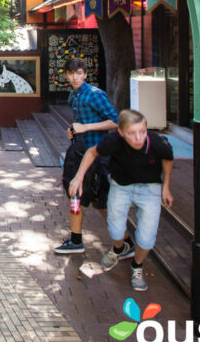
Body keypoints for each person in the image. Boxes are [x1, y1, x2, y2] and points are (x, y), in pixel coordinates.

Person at [69, 109, 174, 292]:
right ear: (121, 132)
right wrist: (78, 177)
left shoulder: (157, 143)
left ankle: (137, 266)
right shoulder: (114, 142)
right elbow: (92, 153)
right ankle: (118, 248)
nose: (138, 138)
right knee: (115, 229)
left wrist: (166, 186)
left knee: (147, 237)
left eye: (142, 131)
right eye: (132, 133)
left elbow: (167, 159)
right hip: (121, 186)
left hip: (150, 188)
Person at [54, 58, 127, 255]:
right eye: (71, 73)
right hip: (78, 152)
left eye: (79, 73)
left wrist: (86, 127)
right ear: (66, 76)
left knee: (101, 201)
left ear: (85, 74)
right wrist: (73, 131)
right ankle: (76, 239)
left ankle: (126, 242)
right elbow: (79, 122)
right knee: (74, 193)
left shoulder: (95, 95)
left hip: (97, 155)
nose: (75, 77)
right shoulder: (74, 95)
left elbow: (117, 121)